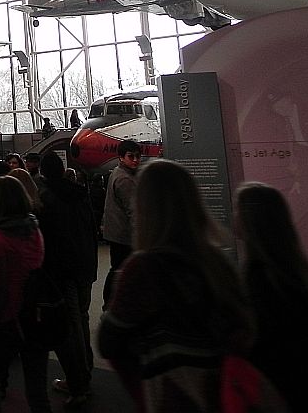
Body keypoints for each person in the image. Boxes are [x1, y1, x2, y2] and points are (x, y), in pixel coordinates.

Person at [98, 160, 253, 412]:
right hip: (222, 395)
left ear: (145, 207)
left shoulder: (143, 268)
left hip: (173, 396)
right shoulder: (217, 262)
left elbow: (109, 341)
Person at [235, 182, 308, 411]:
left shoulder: (260, 279)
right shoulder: (298, 275)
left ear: (250, 221)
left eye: (237, 210)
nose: (233, 216)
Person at [0, 175, 49, 413]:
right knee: (37, 391)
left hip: (9, 316)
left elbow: (1, 288)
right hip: (34, 313)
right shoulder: (34, 229)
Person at [37, 153, 97, 407]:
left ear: (43, 172)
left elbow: (50, 239)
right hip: (86, 263)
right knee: (82, 318)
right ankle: (86, 371)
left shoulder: (47, 198)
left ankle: (78, 382)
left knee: (70, 326)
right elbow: (91, 229)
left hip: (64, 269)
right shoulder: (81, 194)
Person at [101, 139, 140, 309]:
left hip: (115, 232)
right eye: (131, 156)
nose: (135, 160)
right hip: (124, 235)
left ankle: (110, 303)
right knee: (121, 269)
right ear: (121, 157)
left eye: (137, 156)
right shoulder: (125, 179)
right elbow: (133, 211)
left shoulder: (117, 173)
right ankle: (113, 303)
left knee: (117, 268)